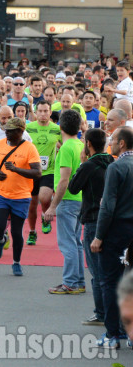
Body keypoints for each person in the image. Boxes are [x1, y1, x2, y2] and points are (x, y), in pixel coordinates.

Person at [91, 127, 133, 348]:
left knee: (110, 281)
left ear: (122, 143)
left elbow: (107, 206)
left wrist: (98, 236)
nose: (110, 142)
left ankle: (113, 335)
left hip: (117, 230)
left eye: (113, 139)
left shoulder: (116, 167)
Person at [68, 128, 113, 327]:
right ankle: (111, 311)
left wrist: (81, 164)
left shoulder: (89, 165)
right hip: (112, 220)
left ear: (88, 144)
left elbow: (73, 187)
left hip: (94, 219)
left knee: (96, 270)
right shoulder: (113, 162)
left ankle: (102, 313)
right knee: (111, 269)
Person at [0, 117, 41, 276]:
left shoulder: (29, 148)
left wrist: (17, 170)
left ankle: (16, 262)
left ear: (20, 131)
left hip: (21, 196)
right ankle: (1, 240)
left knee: (17, 233)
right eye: (6, 130)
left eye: (10, 130)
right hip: (0, 193)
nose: (7, 133)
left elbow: (37, 173)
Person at [44, 110, 85, 295]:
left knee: (68, 243)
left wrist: (53, 206)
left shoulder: (68, 147)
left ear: (60, 126)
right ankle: (78, 281)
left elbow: (64, 180)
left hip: (68, 200)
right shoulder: (80, 145)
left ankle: (70, 282)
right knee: (76, 243)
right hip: (79, 199)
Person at [25, 100, 61, 244]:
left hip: (49, 171)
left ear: (50, 112)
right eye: (40, 111)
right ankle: (32, 232)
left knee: (45, 198)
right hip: (31, 171)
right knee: (32, 204)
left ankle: (45, 216)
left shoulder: (56, 129)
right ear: (35, 112)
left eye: (46, 111)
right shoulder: (29, 128)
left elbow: (65, 144)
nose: (43, 114)